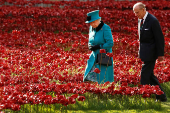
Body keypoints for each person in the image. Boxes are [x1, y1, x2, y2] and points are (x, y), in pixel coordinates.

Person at [133, 2, 167, 102]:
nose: (136, 14)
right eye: (135, 13)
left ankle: (143, 96)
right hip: (144, 52)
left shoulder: (153, 21)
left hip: (151, 53)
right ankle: (161, 96)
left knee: (144, 75)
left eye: (137, 12)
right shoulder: (140, 20)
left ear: (144, 10)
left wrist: (161, 54)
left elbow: (159, 39)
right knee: (150, 75)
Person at [83, 10, 114, 84]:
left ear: (99, 20)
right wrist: (89, 45)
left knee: (102, 77)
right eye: (90, 23)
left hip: (104, 56)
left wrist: (99, 46)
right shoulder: (91, 28)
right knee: (88, 74)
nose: (92, 24)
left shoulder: (105, 28)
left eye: (94, 22)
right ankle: (92, 90)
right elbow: (90, 40)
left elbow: (110, 43)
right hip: (94, 56)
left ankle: (103, 91)